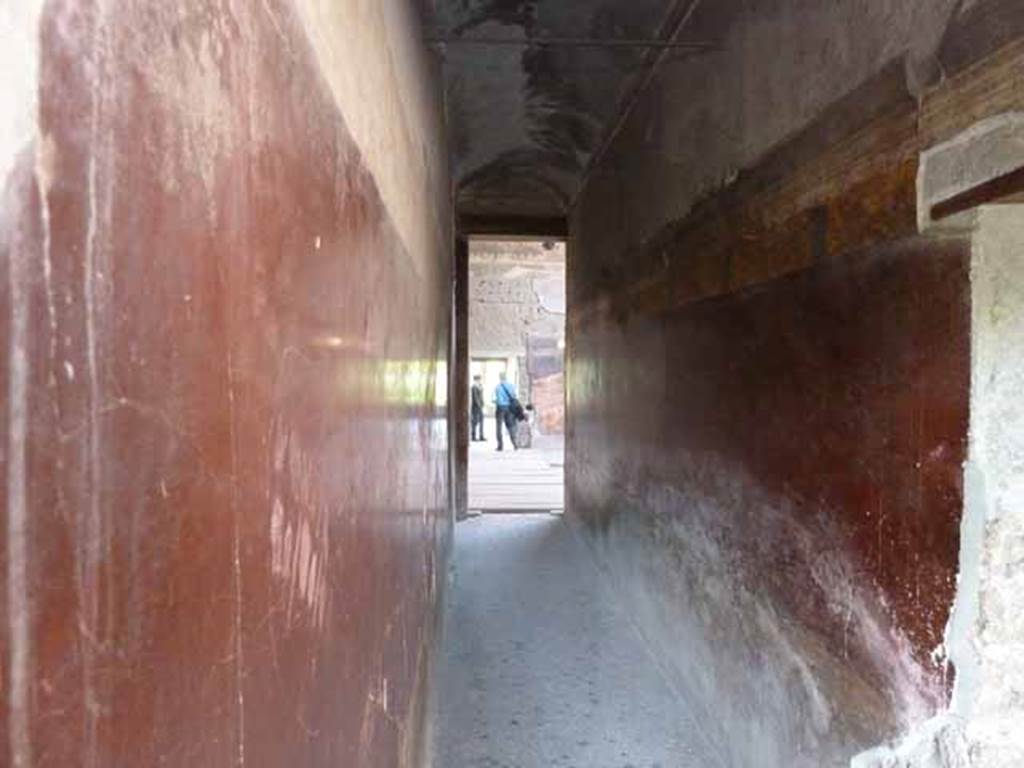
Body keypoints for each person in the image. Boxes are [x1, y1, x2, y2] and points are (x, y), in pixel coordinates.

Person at [493, 371, 518, 451]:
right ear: (506, 377)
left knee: (499, 427)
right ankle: (515, 444)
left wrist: (496, 401)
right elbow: (514, 396)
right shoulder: (512, 386)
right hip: (510, 408)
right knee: (510, 426)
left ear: (500, 377)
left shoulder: (498, 387)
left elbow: (498, 400)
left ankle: (500, 446)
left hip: (501, 408)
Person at [470, 375, 485, 442]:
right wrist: (479, 406)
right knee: (475, 422)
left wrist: (482, 404)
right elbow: (475, 398)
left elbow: (481, 397)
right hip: (476, 407)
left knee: (481, 421)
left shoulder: (480, 386)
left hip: (480, 407)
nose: (480, 380)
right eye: (478, 379)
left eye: (480, 379)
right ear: (475, 380)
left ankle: (481, 436)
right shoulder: (474, 387)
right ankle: (473, 436)